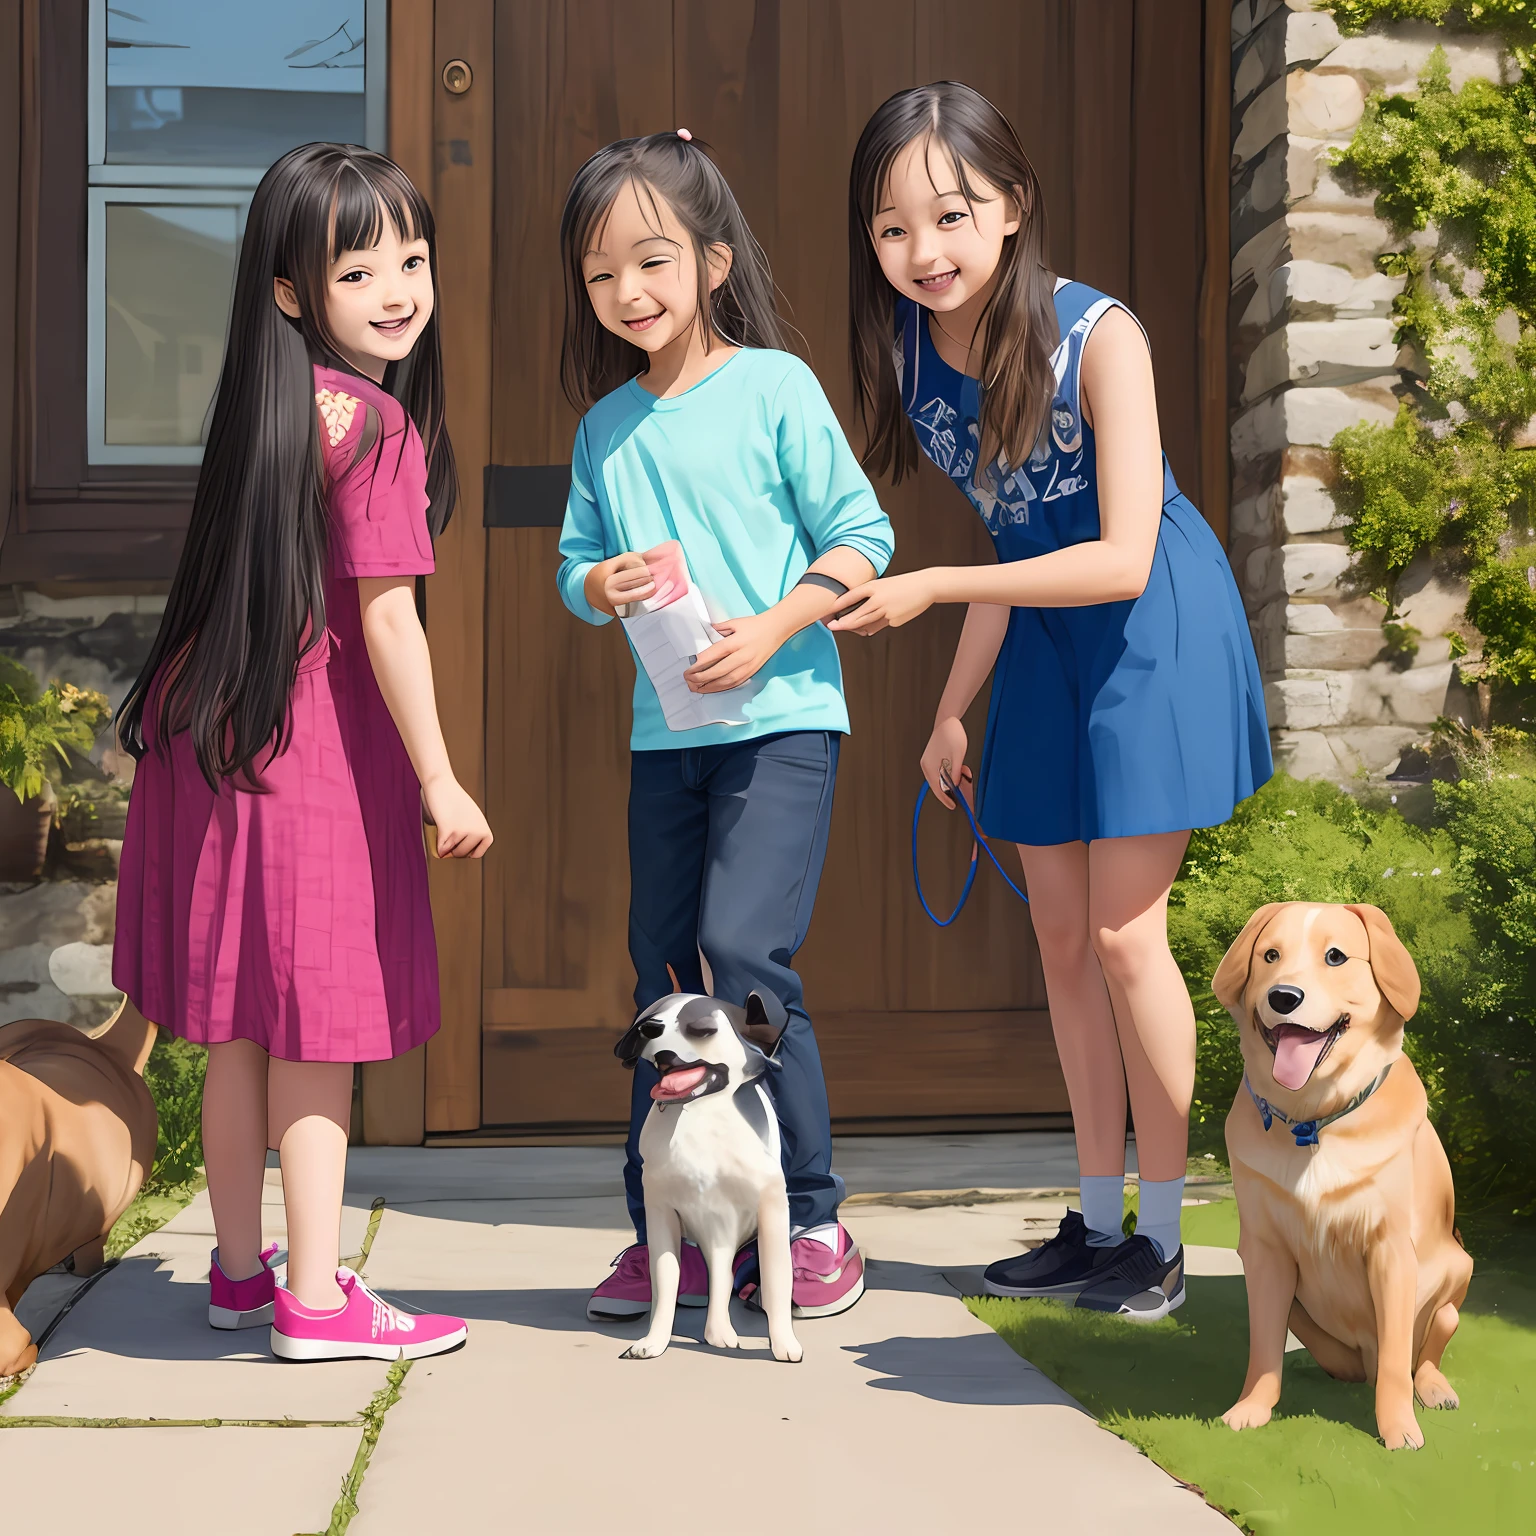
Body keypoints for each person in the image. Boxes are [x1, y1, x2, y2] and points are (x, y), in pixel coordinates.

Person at [833, 84, 1271, 1322]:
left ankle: (1171, 1241)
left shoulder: (1101, 336)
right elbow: (1012, 540)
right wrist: (952, 710)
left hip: (1147, 628)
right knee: (1063, 947)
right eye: (893, 229)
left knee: (1133, 941)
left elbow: (1118, 554)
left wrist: (927, 589)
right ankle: (1092, 1221)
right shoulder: (915, 352)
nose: (926, 252)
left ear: (1014, 208)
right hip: (1039, 637)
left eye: (955, 214)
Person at [114, 143, 491, 1362]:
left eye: (413, 258)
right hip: (310, 748)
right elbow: (388, 617)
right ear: (292, 291)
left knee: (237, 1028)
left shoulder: (263, 405)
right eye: (359, 266)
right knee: (316, 1033)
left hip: (216, 731)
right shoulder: (376, 424)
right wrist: (438, 776)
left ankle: (237, 1274)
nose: (398, 286)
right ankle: (320, 1302)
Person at [555, 129, 894, 1324]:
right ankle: (671, 1235)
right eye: (600, 276)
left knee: (742, 960)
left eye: (650, 261)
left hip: (783, 721)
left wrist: (773, 625)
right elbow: (573, 567)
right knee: (661, 974)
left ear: (712, 259)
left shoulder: (777, 388)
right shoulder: (606, 427)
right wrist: (602, 589)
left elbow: (864, 541)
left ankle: (809, 1215)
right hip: (669, 736)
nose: (627, 293)